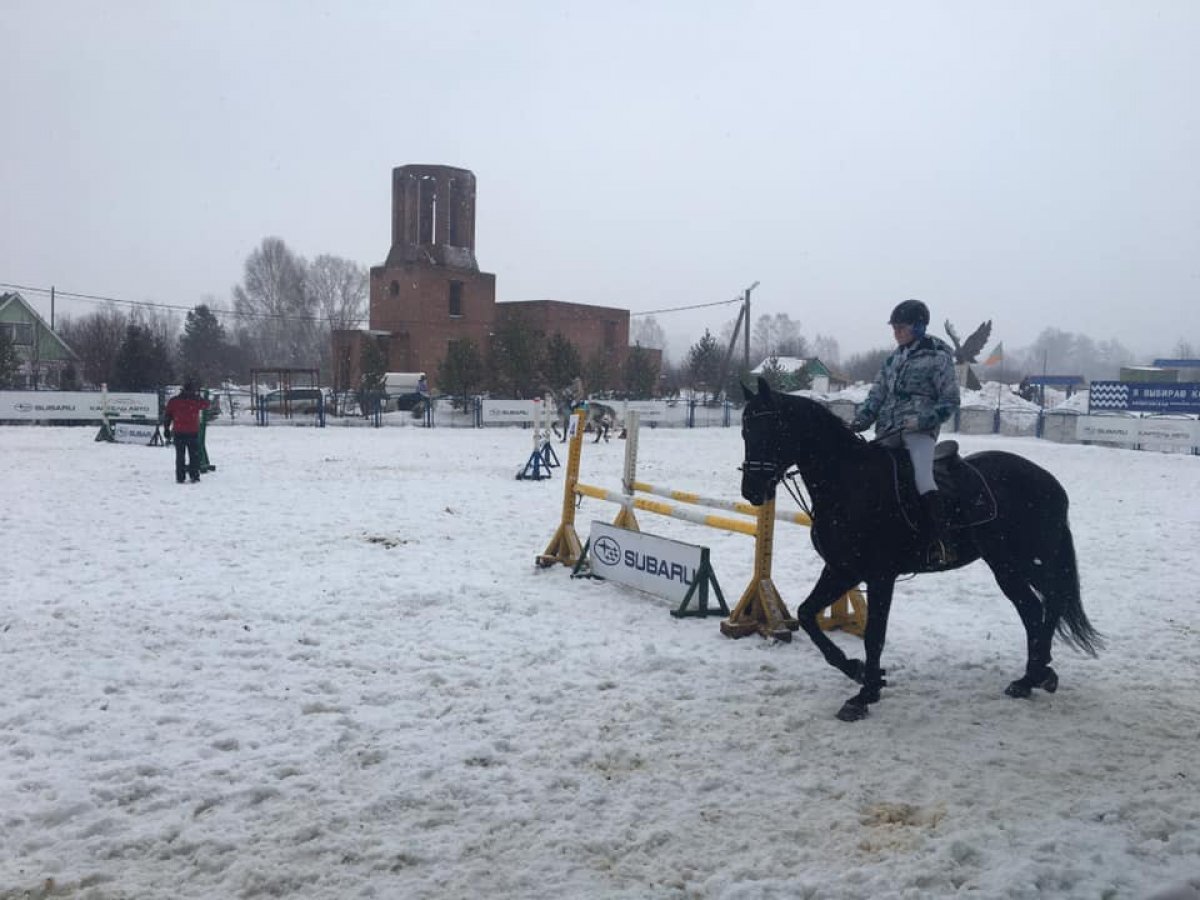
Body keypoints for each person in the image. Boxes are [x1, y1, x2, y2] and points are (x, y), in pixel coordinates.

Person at [850, 299, 960, 559]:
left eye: (901, 327)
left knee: (923, 477)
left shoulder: (939, 356)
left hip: (919, 432)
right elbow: (877, 395)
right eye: (895, 327)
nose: (896, 332)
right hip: (888, 430)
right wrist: (859, 420)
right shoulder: (892, 360)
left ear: (919, 327)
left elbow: (950, 401)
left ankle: (941, 541)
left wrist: (923, 421)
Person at [163, 379, 211, 484]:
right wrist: (197, 396)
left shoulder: (174, 401)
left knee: (180, 455)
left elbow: (168, 416)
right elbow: (207, 404)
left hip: (179, 431)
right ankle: (194, 475)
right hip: (192, 432)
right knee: (194, 455)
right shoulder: (195, 401)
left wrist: (166, 428)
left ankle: (180, 476)